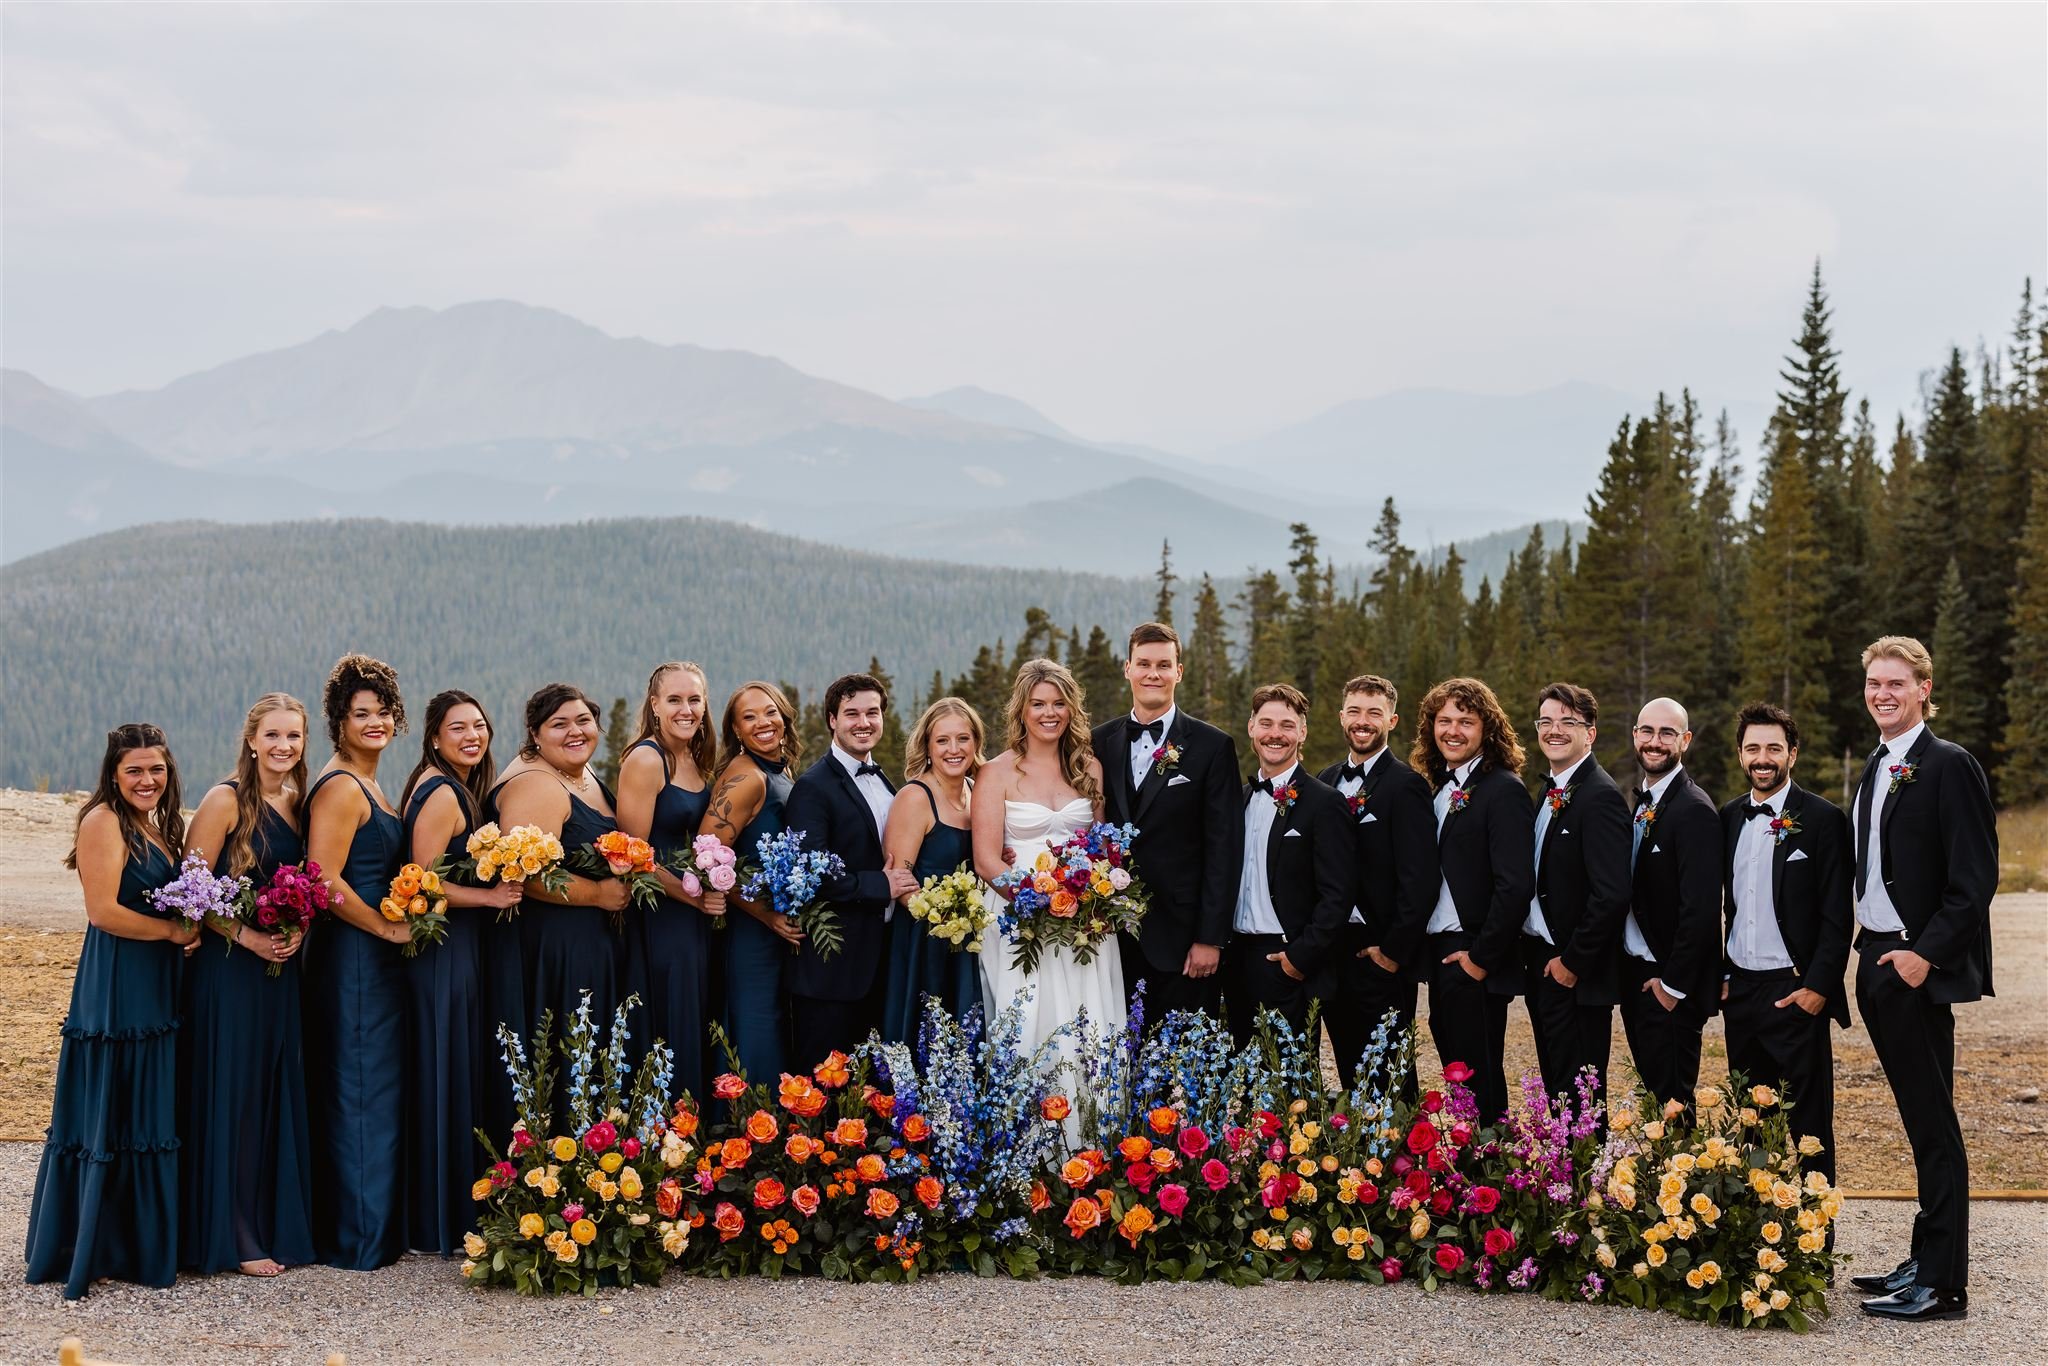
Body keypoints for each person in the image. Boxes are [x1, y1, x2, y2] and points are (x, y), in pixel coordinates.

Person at [1848, 637, 1997, 1323]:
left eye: (1897, 683)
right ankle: (1922, 1259)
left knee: (1935, 1128)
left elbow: (1973, 884)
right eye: (1875, 682)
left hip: (1916, 970)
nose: (1883, 692)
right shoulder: (1877, 765)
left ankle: (1944, 1286)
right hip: (1874, 963)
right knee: (1917, 1123)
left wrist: (1923, 956)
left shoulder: (1949, 765)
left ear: (1925, 689)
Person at [26, 724, 198, 1300]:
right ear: (114, 774)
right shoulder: (103, 821)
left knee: (144, 1104)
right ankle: (91, 1244)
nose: (148, 780)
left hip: (156, 977)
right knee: (112, 1098)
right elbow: (102, 911)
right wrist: (174, 932)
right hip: (120, 978)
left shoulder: (157, 825)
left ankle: (135, 1242)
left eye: (156, 769)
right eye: (135, 771)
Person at [178, 694, 316, 1277]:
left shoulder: (295, 802)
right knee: (233, 1095)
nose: (284, 747)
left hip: (278, 973)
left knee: (270, 1094)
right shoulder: (225, 800)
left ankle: (269, 1222)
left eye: (295, 737)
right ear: (252, 739)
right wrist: (250, 938)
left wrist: (298, 927)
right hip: (230, 969)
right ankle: (233, 1233)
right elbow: (191, 892)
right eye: (274, 736)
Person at [397, 689, 521, 1255]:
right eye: (458, 729)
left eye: (479, 726)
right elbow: (419, 878)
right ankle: (437, 1217)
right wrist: (490, 897)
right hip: (442, 950)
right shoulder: (443, 792)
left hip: (459, 947)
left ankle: (448, 1207)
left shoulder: (457, 787)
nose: (472, 736)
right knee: (444, 1069)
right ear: (434, 738)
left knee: (454, 1069)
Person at [302, 654, 411, 1270]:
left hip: (374, 954)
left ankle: (375, 1228)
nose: (374, 722)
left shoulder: (372, 782)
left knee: (375, 1084)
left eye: (383, 712)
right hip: (354, 959)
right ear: (338, 722)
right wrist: (384, 927)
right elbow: (323, 877)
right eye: (359, 713)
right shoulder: (342, 786)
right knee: (360, 1086)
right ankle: (356, 1236)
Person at [1718, 701, 1850, 1209]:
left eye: (1774, 747)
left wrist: (1817, 988)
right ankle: (1758, 1243)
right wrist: (1721, 975)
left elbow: (1837, 916)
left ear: (1792, 754)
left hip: (1794, 991)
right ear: (1740, 754)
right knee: (1750, 1127)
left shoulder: (1821, 820)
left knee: (1809, 1128)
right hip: (1741, 994)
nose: (1763, 757)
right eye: (1753, 748)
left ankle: (1817, 1252)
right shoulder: (1729, 816)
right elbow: (1718, 905)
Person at [487, 684, 629, 1121]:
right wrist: (599, 894)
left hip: (592, 941)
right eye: (559, 724)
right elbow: (526, 877)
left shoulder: (581, 775)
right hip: (558, 946)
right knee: (570, 1054)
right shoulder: (537, 784)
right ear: (535, 734)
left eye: (583, 721)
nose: (575, 731)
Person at [1092, 623, 1242, 1019]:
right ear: (1127, 669)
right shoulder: (1098, 742)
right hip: (1110, 937)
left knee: (1189, 1066)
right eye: (1143, 664)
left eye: (1163, 664)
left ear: (1179, 670)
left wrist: (1210, 938)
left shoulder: (1212, 746)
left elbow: (1224, 850)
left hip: (1184, 942)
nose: (1152, 674)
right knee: (1118, 1063)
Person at [975, 659, 1121, 1064]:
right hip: (1019, 919)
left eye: (1059, 704)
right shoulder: (996, 773)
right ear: (1021, 710)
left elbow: (1102, 844)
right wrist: (1037, 902)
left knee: (1087, 1015)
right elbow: (986, 860)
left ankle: (1091, 1119)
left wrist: (1093, 897)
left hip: (1084, 920)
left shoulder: (1088, 767)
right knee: (1028, 1019)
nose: (1049, 714)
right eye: (1038, 704)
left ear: (1071, 709)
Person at [1410, 676, 1532, 1124]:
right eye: (1444, 721)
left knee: (1479, 1078)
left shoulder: (1503, 789)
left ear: (1487, 729)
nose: (1453, 731)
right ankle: (1469, 1173)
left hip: (1474, 954)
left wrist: (1480, 958)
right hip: (1441, 951)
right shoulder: (1440, 787)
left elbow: (1516, 884)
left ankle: (1489, 1176)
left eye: (1466, 720)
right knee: (1456, 1072)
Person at [785, 673, 921, 1067]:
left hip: (881, 957)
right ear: (832, 719)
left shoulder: (884, 781)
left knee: (867, 1088)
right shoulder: (813, 787)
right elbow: (809, 871)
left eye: (872, 712)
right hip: (832, 968)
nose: (864, 722)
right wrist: (881, 884)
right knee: (822, 1084)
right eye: (852, 714)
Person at [1316, 674, 1437, 1087]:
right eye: (1354, 712)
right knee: (1351, 1072)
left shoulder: (1407, 786)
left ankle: (1402, 1152)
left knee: (1391, 1078)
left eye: (1373, 713)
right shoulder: (1324, 780)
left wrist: (1393, 952)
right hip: (1333, 952)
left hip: (1379, 953)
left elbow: (1420, 879)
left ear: (1392, 720)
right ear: (1341, 717)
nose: (1362, 722)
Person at [1520, 682, 1631, 1105]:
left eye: (1568, 722)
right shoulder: (1550, 793)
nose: (1555, 730)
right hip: (1543, 967)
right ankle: (1567, 1173)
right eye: (1546, 721)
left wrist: (1573, 963)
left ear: (1591, 733)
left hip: (1575, 975)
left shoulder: (1600, 797)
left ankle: (1586, 1173)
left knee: (1582, 1101)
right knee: (1559, 1096)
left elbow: (1612, 894)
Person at [617, 662, 723, 1104]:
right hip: (660, 916)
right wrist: (693, 897)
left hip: (692, 916)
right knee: (670, 1021)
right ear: (654, 705)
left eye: (694, 700)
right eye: (675, 700)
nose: (686, 709)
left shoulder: (695, 757)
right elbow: (630, 853)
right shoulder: (647, 759)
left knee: (695, 1016)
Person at [1222, 683, 1351, 1044]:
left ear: (1302, 732)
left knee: (1290, 1089)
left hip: (1285, 960)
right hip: (1236, 960)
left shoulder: (1325, 803)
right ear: (1251, 728)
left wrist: (1299, 957)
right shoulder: (1239, 799)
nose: (1275, 734)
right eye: (1266, 724)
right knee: (1246, 1084)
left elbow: (1338, 894)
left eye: (1287, 725)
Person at [1616, 696, 1720, 1109]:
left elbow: (1702, 908)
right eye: (1647, 731)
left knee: (1674, 1104)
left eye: (1667, 733)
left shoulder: (1694, 810)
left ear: (1686, 740)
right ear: (1635, 735)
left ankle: (1682, 1174)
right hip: (1638, 978)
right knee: (1655, 1102)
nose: (1654, 742)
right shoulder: (1643, 803)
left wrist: (1673, 987)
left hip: (1668, 986)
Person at [699, 682, 801, 1082]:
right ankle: (751, 1132)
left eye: (770, 711)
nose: (763, 722)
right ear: (736, 731)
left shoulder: (778, 769)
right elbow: (707, 857)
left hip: (776, 929)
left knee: (778, 1025)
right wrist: (765, 917)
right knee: (758, 1030)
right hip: (752, 932)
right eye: (749, 717)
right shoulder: (747, 779)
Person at [881, 696, 986, 1043]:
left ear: (976, 742)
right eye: (942, 740)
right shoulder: (915, 797)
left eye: (963, 738)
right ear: (927, 745)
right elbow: (899, 880)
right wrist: (944, 919)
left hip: (971, 940)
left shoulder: (976, 791)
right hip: (923, 942)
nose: (953, 749)